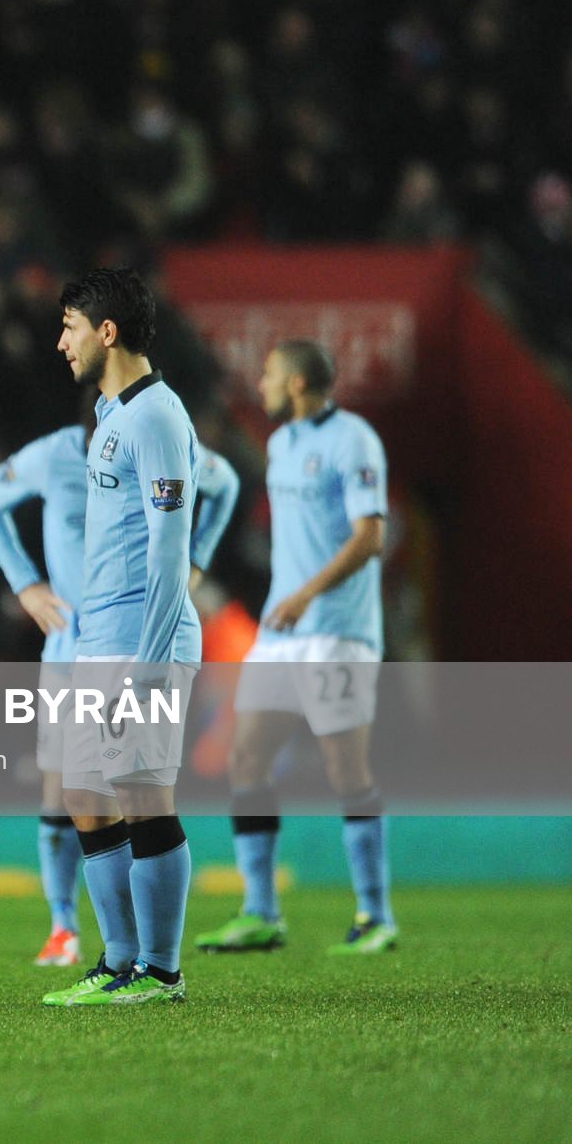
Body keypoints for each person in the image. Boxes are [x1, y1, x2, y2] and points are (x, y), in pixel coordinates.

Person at [0, 396, 238, 968]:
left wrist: (196, 564)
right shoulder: (54, 456)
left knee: (139, 794)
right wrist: (25, 584)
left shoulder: (156, 435)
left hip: (132, 638)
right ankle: (70, 929)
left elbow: (227, 483)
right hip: (71, 647)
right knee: (71, 794)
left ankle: (153, 960)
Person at [195, 340, 395, 955]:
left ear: (301, 382)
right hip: (283, 636)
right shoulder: (280, 446)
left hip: (337, 629)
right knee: (246, 760)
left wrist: (307, 593)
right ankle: (261, 912)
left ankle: (374, 914)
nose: (261, 382)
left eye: (270, 373)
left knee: (345, 768)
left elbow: (370, 537)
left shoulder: (354, 441)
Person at [43, 267, 201, 1007]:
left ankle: (162, 971)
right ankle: (120, 958)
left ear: (107, 332)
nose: (60, 342)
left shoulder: (158, 418)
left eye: (70, 326)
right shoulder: (112, 417)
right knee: (84, 795)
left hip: (145, 640)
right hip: (99, 639)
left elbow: (172, 549)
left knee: (143, 793)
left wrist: (151, 662)